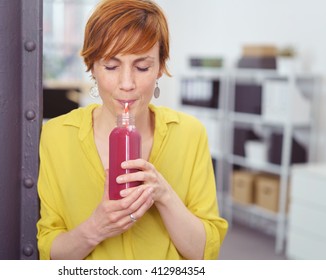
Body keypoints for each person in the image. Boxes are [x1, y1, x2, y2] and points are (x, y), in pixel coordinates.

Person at [37, 0, 228, 260]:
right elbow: (51, 253)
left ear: (160, 67)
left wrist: (164, 194)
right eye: (111, 66)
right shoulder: (57, 135)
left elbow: (204, 253)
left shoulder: (190, 134)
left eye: (142, 67)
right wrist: (96, 227)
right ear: (92, 66)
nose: (127, 84)